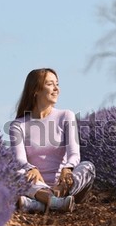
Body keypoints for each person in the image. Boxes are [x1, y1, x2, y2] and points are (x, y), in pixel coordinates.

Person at [9, 68, 95, 213]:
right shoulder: (18, 125)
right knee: (14, 173)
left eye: (57, 84)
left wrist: (68, 168)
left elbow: (74, 153)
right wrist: (31, 168)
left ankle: (40, 202)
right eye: (50, 84)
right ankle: (55, 202)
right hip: (35, 185)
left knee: (88, 167)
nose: (56, 89)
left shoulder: (66, 116)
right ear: (35, 90)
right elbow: (19, 159)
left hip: (64, 184)